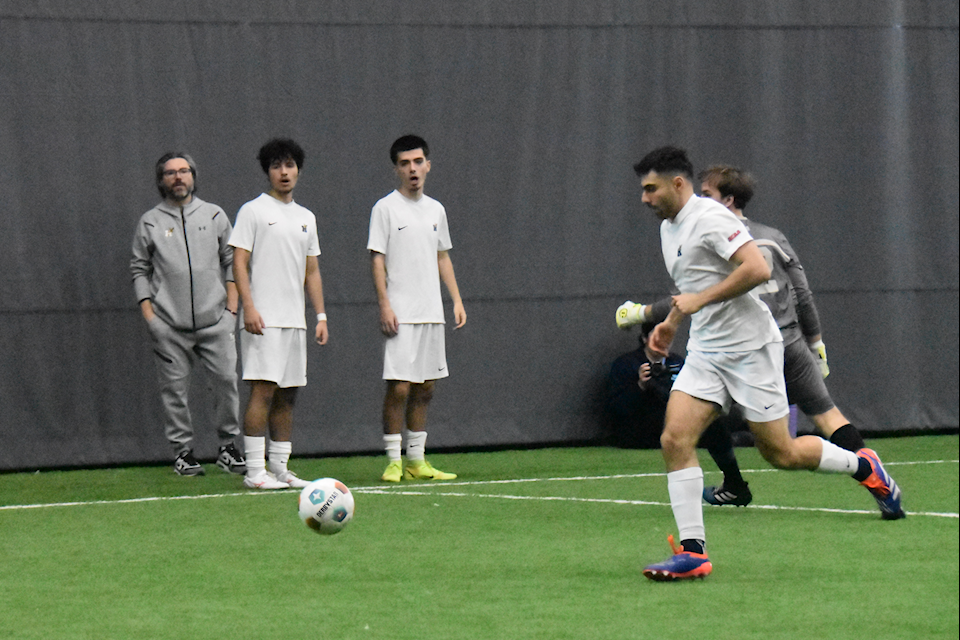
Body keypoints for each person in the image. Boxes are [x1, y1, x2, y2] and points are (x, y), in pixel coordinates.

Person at [631, 146, 903, 582]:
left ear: (677, 184)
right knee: (674, 439)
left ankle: (865, 467)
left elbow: (757, 269)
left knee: (782, 452)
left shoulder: (714, 219)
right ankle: (693, 552)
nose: (644, 198)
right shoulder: (669, 227)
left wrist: (696, 302)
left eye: (651, 188)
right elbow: (693, 285)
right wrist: (671, 323)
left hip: (752, 349)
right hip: (707, 351)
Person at [696, 164, 905, 511]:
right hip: (790, 341)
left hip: (746, 348)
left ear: (728, 200)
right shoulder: (773, 236)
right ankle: (879, 483)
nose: (700, 202)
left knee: (701, 413)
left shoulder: (713, 240)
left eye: (706, 195)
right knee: (828, 417)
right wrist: (816, 343)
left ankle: (734, 483)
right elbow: (802, 294)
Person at [130, 152, 246, 477]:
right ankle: (183, 453)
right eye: (170, 173)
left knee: (226, 384)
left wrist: (231, 309)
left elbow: (232, 261)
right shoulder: (150, 222)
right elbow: (139, 268)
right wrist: (151, 317)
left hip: (216, 321)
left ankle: (227, 448)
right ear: (161, 180)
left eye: (184, 171)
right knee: (175, 392)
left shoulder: (214, 215)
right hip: (169, 326)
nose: (178, 177)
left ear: (193, 176)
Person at [229, 138, 329, 490]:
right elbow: (238, 262)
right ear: (267, 171)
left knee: (288, 394)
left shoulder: (306, 218)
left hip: (295, 322)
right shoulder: (252, 211)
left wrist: (320, 316)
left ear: (298, 170)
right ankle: (255, 473)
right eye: (276, 166)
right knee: (263, 392)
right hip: (262, 321)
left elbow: (311, 270)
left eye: (289, 165)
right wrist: (250, 308)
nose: (283, 172)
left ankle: (281, 468)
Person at [367, 135, 466, 482]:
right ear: (396, 169)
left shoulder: (436, 209)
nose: (413, 169)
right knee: (400, 387)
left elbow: (442, 256)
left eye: (418, 161)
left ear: (428, 165)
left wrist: (455, 300)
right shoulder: (385, 208)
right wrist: (384, 304)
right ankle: (394, 459)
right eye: (405, 163)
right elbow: (376, 259)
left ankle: (417, 461)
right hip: (400, 312)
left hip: (431, 313)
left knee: (426, 387)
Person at [608, 321, 752, 489]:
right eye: (657, 336)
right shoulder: (626, 364)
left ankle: (739, 439)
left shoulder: (677, 362)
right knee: (701, 428)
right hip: (643, 424)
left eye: (667, 336)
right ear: (645, 339)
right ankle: (732, 443)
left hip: (677, 416)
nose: (663, 341)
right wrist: (639, 385)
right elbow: (618, 408)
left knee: (725, 415)